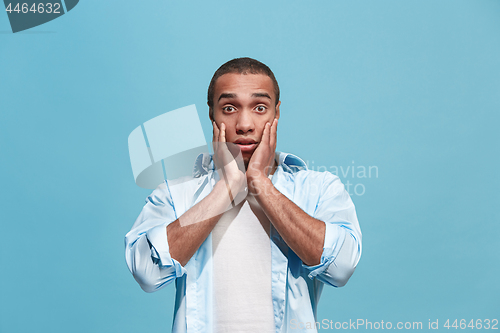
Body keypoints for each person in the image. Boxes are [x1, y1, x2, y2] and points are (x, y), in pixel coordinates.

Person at [125, 57, 362, 333]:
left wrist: (260, 183)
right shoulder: (176, 194)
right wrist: (227, 188)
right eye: (229, 108)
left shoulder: (319, 189)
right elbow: (147, 273)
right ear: (212, 114)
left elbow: (341, 268)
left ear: (277, 113)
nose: (245, 124)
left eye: (260, 107)